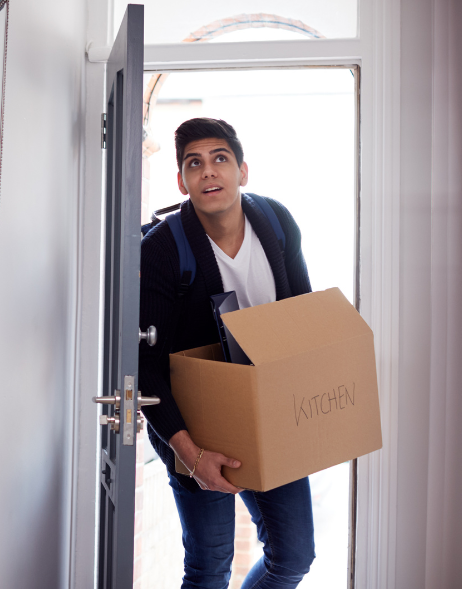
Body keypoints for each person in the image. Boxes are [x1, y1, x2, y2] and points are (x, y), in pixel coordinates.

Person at [139, 118, 315, 589]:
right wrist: (190, 454)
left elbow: (303, 317)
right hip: (192, 422)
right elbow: (144, 365)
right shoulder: (161, 248)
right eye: (194, 163)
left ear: (243, 171)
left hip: (267, 411)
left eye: (220, 159)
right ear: (181, 181)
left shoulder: (276, 222)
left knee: (294, 556)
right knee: (208, 567)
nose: (208, 172)